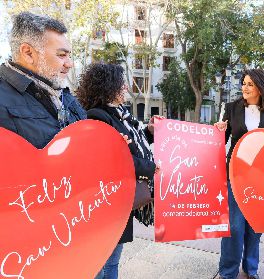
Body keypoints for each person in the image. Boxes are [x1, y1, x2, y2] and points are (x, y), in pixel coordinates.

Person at [77, 63, 158, 279]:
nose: (125, 87)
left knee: (113, 262)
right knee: (100, 264)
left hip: (120, 199)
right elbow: (113, 159)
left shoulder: (121, 114)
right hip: (106, 202)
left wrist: (149, 132)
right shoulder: (97, 116)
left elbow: (132, 145)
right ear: (108, 86)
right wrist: (152, 168)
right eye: (121, 83)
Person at [214, 69, 264, 279]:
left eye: (250, 84)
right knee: (234, 226)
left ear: (261, 88)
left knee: (255, 225)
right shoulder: (231, 108)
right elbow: (222, 139)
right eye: (243, 83)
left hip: (261, 175)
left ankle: (251, 269)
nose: (244, 87)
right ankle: (228, 271)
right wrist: (218, 129)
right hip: (235, 173)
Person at [0, 12, 86, 147]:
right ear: (28, 53)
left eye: (69, 56)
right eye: (62, 55)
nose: (69, 64)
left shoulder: (65, 96)